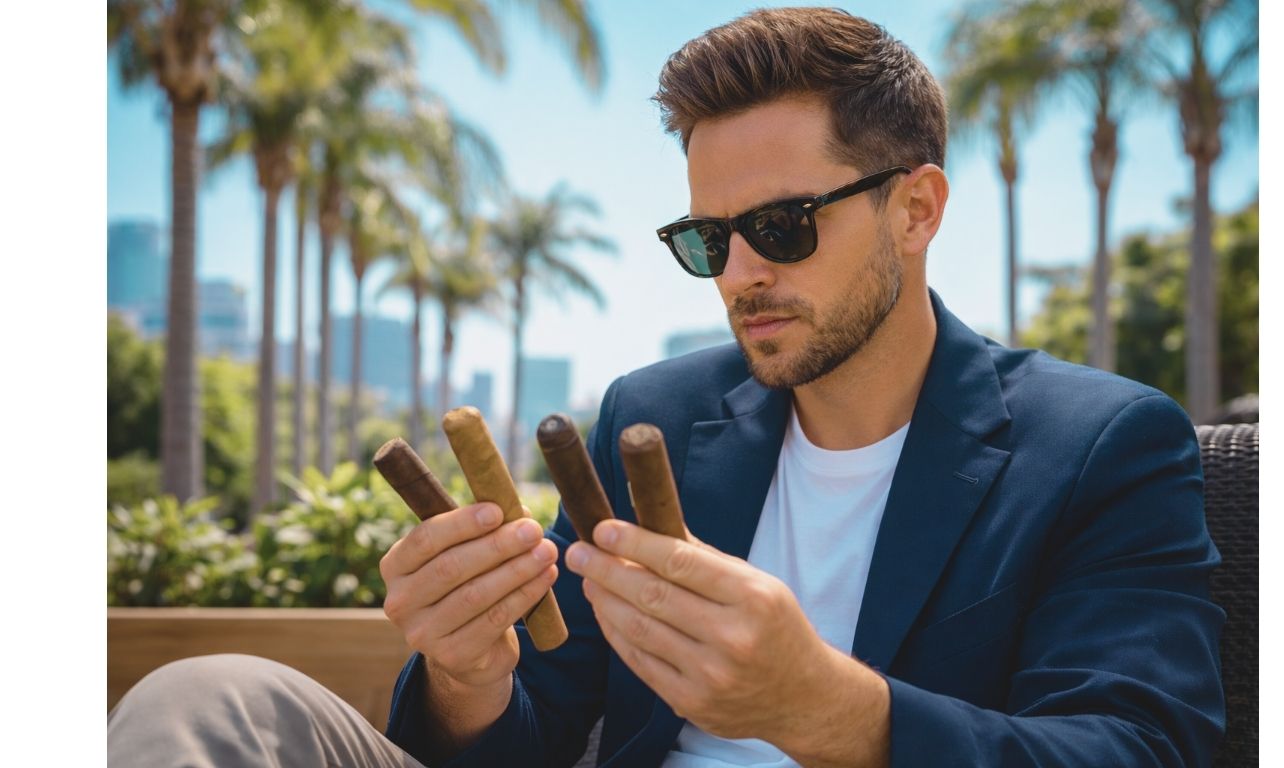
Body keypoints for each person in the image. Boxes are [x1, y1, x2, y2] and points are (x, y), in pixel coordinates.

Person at [109, 7, 1224, 767]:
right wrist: (467, 671)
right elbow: (535, 728)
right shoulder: (658, 416)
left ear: (916, 209)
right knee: (204, 700)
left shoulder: (1102, 443)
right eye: (709, 240)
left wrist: (828, 710)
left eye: (783, 226)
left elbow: (1135, 748)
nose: (742, 274)